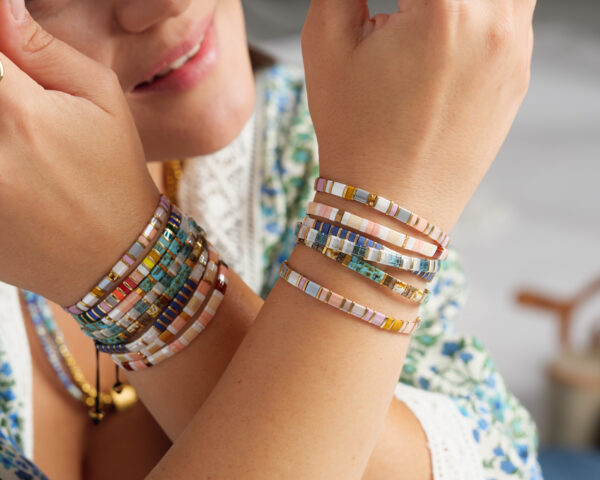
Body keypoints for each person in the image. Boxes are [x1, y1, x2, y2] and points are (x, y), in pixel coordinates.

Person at [0, 0, 542, 478]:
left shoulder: (297, 140)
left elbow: (499, 459)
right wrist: (385, 220)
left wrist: (135, 266)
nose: (166, 4)